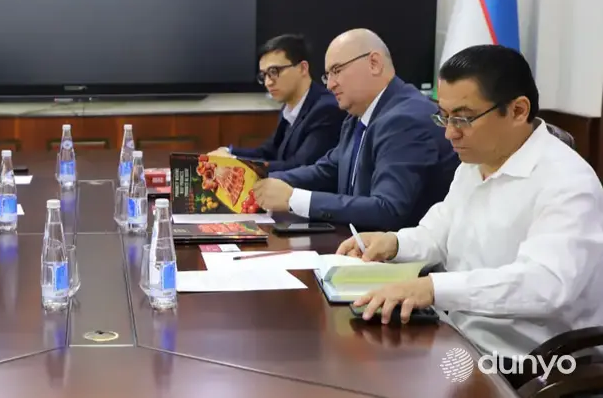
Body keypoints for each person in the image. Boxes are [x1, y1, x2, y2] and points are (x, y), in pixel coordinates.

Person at [337, 45, 603, 359]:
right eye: (444, 116)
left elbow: (544, 284)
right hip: (456, 334)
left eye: (463, 119)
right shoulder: (474, 164)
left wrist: (433, 288)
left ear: (518, 110)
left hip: (526, 361)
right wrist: (394, 243)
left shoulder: (568, 182)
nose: (450, 134)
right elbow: (439, 232)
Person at [253, 28, 458, 230]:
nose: (330, 85)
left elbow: (387, 209)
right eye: (327, 75)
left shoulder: (405, 119)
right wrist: (265, 182)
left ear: (374, 63)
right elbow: (329, 169)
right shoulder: (357, 116)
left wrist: (293, 199)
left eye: (337, 71)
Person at [208, 34, 343, 171]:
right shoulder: (288, 106)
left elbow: (299, 167)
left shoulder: (325, 109)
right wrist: (228, 152)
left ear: (303, 68)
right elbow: (267, 152)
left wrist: (233, 162)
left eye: (274, 71)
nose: (268, 82)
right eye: (264, 75)